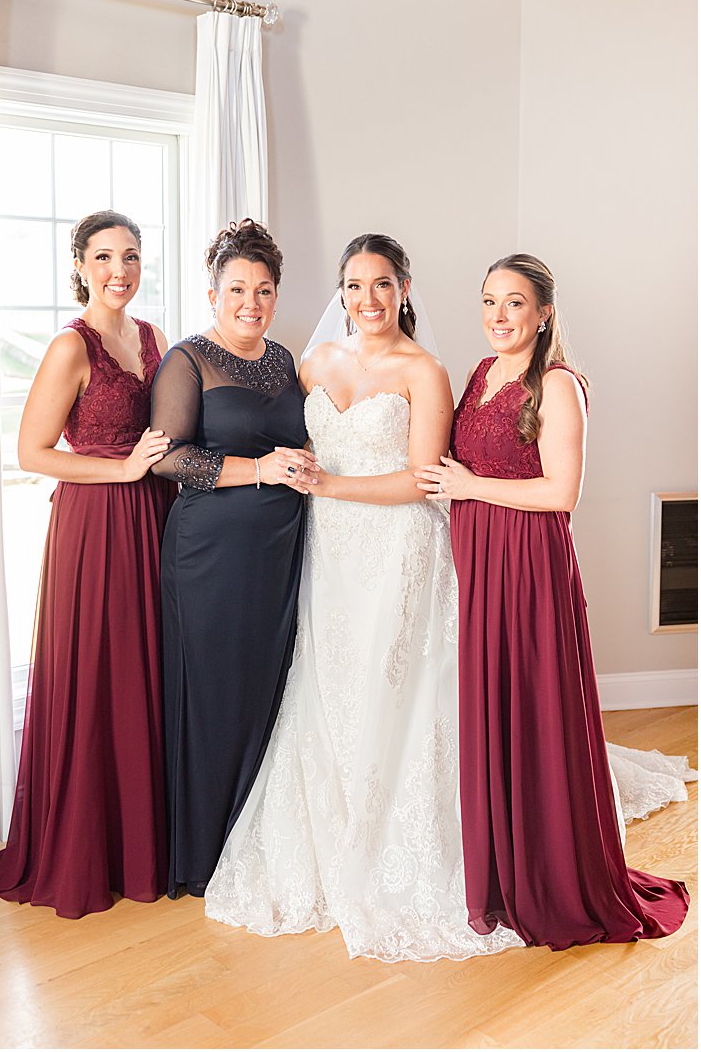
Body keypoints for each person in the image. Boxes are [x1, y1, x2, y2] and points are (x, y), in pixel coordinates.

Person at [204, 234, 522, 960]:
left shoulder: (426, 371)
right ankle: (331, 829)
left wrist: (330, 486)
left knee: (395, 688)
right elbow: (273, 435)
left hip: (398, 547)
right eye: (353, 286)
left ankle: (397, 845)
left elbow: (422, 479)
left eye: (382, 284)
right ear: (339, 293)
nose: (367, 300)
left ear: (404, 288)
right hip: (330, 552)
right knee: (329, 683)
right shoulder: (313, 362)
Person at [417, 253, 689, 949]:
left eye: (513, 303)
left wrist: (473, 489)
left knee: (535, 708)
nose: (498, 316)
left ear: (543, 313)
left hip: (529, 565)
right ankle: (504, 870)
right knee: (492, 707)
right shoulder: (480, 375)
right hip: (478, 560)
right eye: (488, 302)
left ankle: (554, 876)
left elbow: (558, 494)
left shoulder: (559, 384)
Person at [0, 210, 178, 918]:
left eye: (132, 257)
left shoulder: (153, 339)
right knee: (97, 674)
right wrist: (120, 474)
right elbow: (31, 453)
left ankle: (141, 845)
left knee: (143, 674)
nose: (121, 270)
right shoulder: (70, 346)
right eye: (106, 257)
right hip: (95, 524)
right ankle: (87, 850)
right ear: (80, 265)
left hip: (153, 519)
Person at [150, 218, 314, 898]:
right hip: (210, 555)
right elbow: (167, 456)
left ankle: (256, 843)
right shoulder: (188, 360)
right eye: (238, 289)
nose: (252, 302)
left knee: (267, 695)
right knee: (213, 697)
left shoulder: (284, 360)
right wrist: (263, 470)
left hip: (279, 557)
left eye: (265, 289)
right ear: (213, 291)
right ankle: (204, 856)